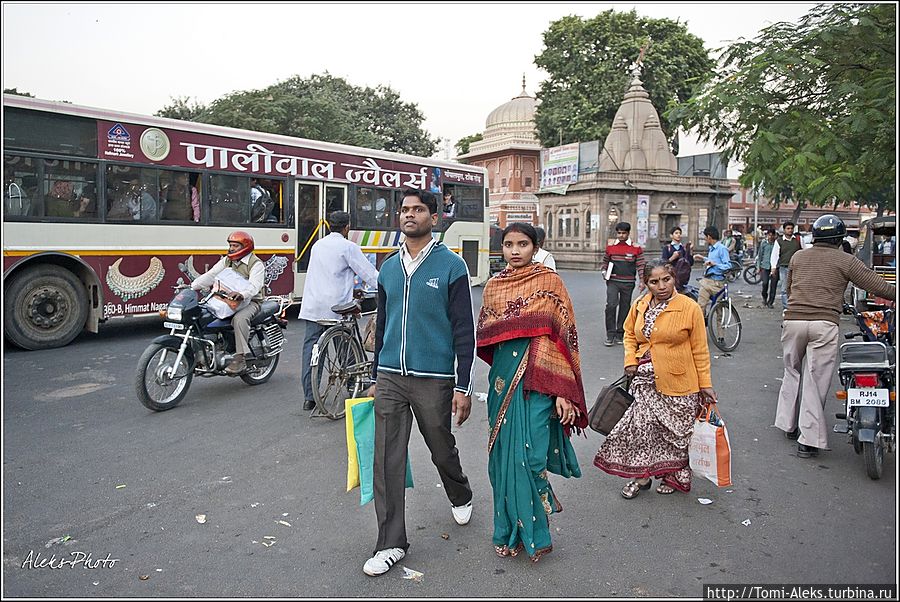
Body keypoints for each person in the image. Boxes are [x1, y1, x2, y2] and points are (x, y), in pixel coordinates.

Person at [362, 188, 475, 577]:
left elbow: (464, 330)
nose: (410, 215)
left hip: (435, 378)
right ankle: (391, 542)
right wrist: (376, 375)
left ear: (434, 217)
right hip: (392, 375)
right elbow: (382, 324)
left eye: (418, 209)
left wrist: (463, 385)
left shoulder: (451, 266)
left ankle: (459, 491)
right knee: (386, 458)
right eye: (405, 210)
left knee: (440, 447)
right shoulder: (388, 267)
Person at [476, 222, 586, 562]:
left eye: (522, 244)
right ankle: (511, 532)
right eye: (508, 244)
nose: (514, 250)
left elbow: (562, 338)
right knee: (503, 460)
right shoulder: (494, 286)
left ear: (534, 247)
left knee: (530, 457)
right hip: (502, 383)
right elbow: (488, 335)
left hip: (539, 383)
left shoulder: (549, 283)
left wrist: (561, 391)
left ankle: (534, 521)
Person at [773, 215, 896, 458]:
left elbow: (789, 288)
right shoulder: (845, 260)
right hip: (824, 324)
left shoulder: (798, 256)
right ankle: (807, 441)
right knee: (814, 379)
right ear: (839, 239)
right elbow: (875, 284)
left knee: (792, 371)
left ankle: (788, 425)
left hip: (794, 320)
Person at [594, 259, 717, 496]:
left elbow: (700, 349)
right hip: (644, 381)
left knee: (675, 435)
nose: (661, 286)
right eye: (654, 282)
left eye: (666, 279)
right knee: (641, 428)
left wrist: (705, 385)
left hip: (680, 382)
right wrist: (630, 360)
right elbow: (629, 334)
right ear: (646, 283)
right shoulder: (640, 305)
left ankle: (673, 477)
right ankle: (641, 478)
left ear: (674, 279)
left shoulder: (689, 307)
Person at [298, 211, 379, 411]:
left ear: (328, 226)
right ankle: (353, 383)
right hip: (337, 307)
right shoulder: (348, 247)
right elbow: (369, 274)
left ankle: (310, 397)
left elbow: (328, 274)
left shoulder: (318, 245)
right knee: (345, 344)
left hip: (313, 305)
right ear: (347, 227)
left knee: (312, 350)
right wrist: (388, 286)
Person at [190, 231, 265, 375]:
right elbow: (211, 275)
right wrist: (192, 286)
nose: (231, 248)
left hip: (251, 302)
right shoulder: (227, 261)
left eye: (235, 245)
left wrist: (242, 294)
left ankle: (241, 357)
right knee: (203, 313)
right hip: (227, 300)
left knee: (239, 319)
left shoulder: (255, 264)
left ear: (246, 246)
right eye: (230, 245)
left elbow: (254, 286)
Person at [600, 221, 645, 346]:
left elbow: (641, 265)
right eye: (619, 233)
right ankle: (610, 334)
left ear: (628, 233)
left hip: (628, 282)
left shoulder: (636, 248)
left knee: (625, 307)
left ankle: (620, 333)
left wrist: (642, 281)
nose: (621, 235)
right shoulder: (610, 247)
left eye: (623, 233)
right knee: (611, 305)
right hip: (613, 281)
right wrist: (604, 271)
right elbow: (605, 261)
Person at [692, 226, 731, 316]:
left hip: (718, 283)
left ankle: (720, 330)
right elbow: (711, 261)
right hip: (707, 281)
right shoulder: (711, 249)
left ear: (709, 237)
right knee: (700, 306)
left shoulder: (722, 249)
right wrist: (703, 258)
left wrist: (715, 264)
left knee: (719, 312)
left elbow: (728, 266)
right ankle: (700, 328)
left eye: (705, 237)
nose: (705, 239)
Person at [770, 221, 805, 310]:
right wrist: (773, 267)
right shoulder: (779, 241)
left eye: (791, 228)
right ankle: (786, 307)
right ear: (784, 230)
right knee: (784, 288)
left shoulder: (798, 239)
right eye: (788, 229)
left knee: (796, 287)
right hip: (784, 267)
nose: (790, 230)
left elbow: (804, 252)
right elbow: (775, 255)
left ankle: (795, 305)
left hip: (797, 268)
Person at [660, 226, 693, 291]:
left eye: (679, 233)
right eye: (676, 233)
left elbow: (690, 263)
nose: (678, 235)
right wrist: (672, 258)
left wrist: (690, 251)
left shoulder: (683, 248)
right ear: (671, 235)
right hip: (670, 276)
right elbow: (662, 263)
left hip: (682, 277)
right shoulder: (667, 248)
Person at [756, 229, 778, 308]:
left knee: (773, 286)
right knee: (765, 283)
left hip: (775, 267)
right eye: (769, 235)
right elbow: (760, 255)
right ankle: (764, 298)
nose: (770, 237)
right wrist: (758, 267)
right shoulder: (763, 243)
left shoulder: (777, 243)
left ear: (774, 235)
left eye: (772, 235)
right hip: (765, 266)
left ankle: (770, 302)